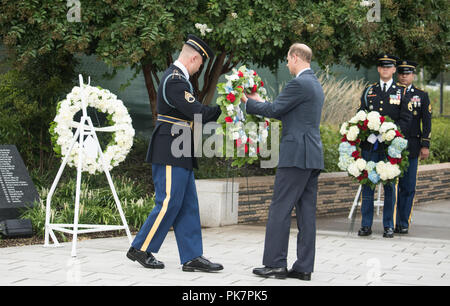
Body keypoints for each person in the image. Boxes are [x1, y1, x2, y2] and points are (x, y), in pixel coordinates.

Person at [126, 34, 224, 272]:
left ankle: (192, 257)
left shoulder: (179, 79)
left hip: (180, 148)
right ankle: (140, 247)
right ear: (193, 58)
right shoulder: (175, 80)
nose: (200, 68)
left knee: (188, 203)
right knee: (169, 201)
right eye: (201, 63)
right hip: (170, 148)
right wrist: (224, 108)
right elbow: (195, 111)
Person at [241, 43, 324, 281]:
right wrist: (259, 101)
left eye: (287, 59)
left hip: (296, 155)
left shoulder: (299, 83)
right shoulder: (315, 84)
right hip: (311, 155)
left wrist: (249, 102)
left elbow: (276, 109)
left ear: (295, 57)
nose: (286, 64)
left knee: (280, 207)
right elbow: (289, 111)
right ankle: (304, 267)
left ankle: (275, 264)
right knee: (306, 212)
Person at [357, 54, 412, 238]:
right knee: (368, 185)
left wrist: (391, 133)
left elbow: (406, 119)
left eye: (389, 67)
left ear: (394, 70)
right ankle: (366, 225)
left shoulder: (402, 92)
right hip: (370, 146)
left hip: (390, 148)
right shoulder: (369, 91)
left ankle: (388, 225)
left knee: (389, 187)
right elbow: (361, 114)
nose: (385, 70)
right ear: (379, 70)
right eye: (382, 67)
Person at [395, 60, 432, 234]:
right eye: (402, 72)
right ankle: (391, 222)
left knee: (408, 186)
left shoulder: (421, 95)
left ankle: (403, 222)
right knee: (392, 186)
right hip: (393, 145)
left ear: (413, 75)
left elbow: (427, 121)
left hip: (412, 144)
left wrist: (425, 144)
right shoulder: (391, 94)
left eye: (408, 73)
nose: (404, 75)